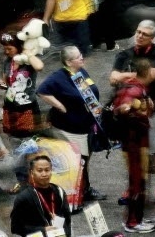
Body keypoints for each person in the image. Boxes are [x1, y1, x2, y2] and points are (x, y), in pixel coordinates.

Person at [111, 21, 155, 207]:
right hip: (130, 113)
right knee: (132, 152)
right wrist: (133, 75)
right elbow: (112, 79)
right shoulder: (125, 54)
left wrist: (124, 76)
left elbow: (148, 78)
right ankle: (134, 187)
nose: (139, 36)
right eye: (138, 32)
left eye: (144, 34)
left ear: (152, 37)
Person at [37, 45, 104, 204]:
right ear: (68, 62)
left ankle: (85, 189)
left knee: (84, 160)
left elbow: (89, 94)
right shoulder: (58, 77)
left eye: (80, 55)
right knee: (78, 162)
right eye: (78, 57)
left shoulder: (80, 72)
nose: (82, 58)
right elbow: (42, 90)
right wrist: (59, 105)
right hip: (70, 128)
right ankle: (76, 195)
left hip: (87, 125)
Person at [112, 58, 155, 233]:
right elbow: (122, 111)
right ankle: (133, 222)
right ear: (148, 72)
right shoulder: (134, 90)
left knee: (140, 180)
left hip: (136, 142)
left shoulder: (136, 87)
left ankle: (138, 217)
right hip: (134, 144)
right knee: (137, 181)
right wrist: (136, 111)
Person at [10, 154, 72, 237]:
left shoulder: (59, 192)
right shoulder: (24, 197)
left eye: (47, 170)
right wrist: (43, 230)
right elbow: (15, 228)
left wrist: (58, 223)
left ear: (51, 171)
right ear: (32, 172)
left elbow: (67, 220)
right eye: (40, 170)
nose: (44, 174)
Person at [0, 33, 43, 142]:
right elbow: (5, 81)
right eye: (5, 49)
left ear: (18, 47)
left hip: (26, 106)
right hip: (10, 105)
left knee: (29, 139)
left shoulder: (28, 62)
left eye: (9, 49)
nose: (6, 52)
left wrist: (28, 53)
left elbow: (39, 67)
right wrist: (1, 84)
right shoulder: (7, 62)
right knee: (12, 137)